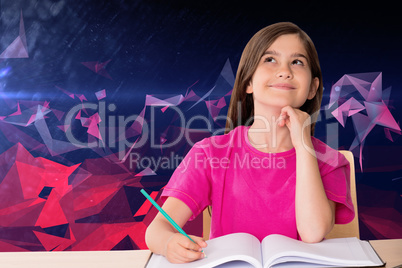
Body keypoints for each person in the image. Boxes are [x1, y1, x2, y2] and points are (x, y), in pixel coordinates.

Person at [145, 22, 355, 264]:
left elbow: (312, 232)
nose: (285, 71)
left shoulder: (330, 161)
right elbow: (156, 230)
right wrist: (169, 243)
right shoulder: (210, 153)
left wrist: (303, 145)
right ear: (247, 82)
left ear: (313, 88)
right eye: (270, 60)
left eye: (297, 62)